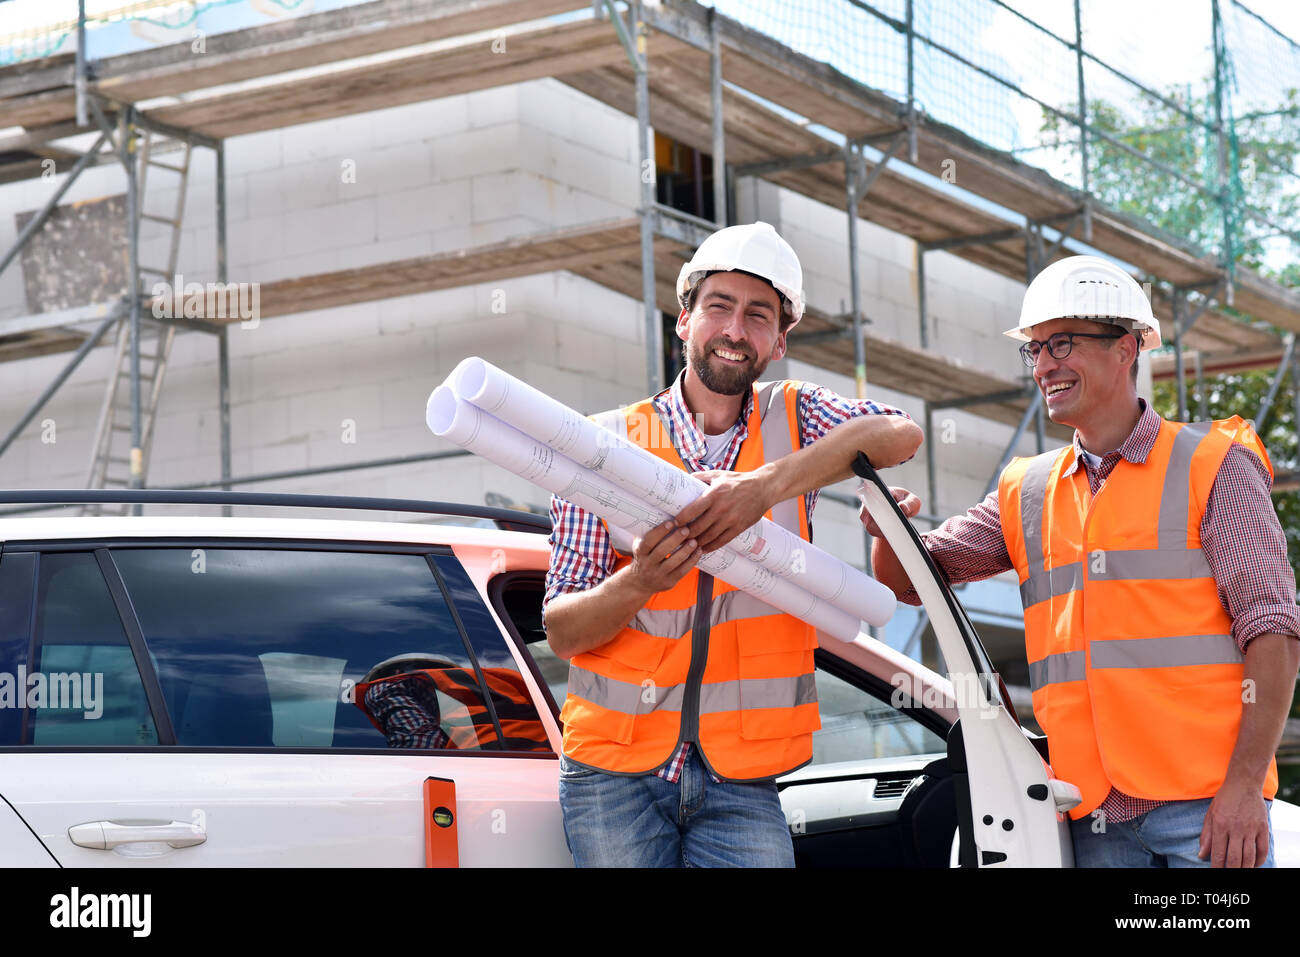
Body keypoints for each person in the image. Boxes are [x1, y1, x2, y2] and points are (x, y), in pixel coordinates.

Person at [864, 254, 1300, 868]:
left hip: (1206, 812)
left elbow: (1274, 631)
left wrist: (1244, 787)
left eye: (1062, 343)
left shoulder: (1213, 465)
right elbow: (910, 580)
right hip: (1088, 817)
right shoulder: (1028, 490)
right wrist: (889, 523)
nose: (1043, 365)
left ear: (1126, 349)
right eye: (1035, 349)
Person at [543, 221, 922, 867]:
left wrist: (766, 485)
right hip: (613, 772)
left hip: (743, 777)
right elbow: (563, 631)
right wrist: (640, 580)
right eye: (719, 306)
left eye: (758, 315)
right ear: (685, 319)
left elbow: (899, 433)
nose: (735, 330)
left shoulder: (798, 418)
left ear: (779, 340)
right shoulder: (604, 445)